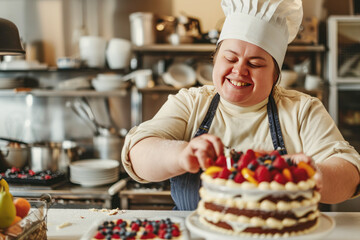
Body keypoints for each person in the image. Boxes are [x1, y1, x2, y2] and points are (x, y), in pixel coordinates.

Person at [121, 0, 360, 210]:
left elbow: (350, 175)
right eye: (230, 58)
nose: (239, 70)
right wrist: (182, 154)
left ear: (275, 76)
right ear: (215, 60)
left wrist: (311, 174)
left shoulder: (303, 111)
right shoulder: (191, 103)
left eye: (255, 64)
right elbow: (138, 153)